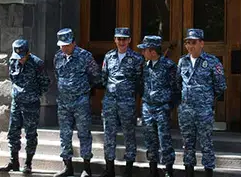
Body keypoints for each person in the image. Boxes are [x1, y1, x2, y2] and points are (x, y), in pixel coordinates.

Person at [176, 29, 227, 177]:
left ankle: (208, 173)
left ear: (201, 43)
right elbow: (178, 84)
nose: (190, 46)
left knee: (206, 144)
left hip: (203, 111)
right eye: (188, 43)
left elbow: (220, 86)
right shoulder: (182, 61)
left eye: (193, 42)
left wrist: (205, 100)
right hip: (186, 111)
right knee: (187, 145)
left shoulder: (212, 62)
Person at [53, 28, 101, 177]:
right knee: (64, 134)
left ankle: (87, 167)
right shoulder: (58, 57)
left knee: (84, 133)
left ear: (73, 43)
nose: (64, 48)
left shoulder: (85, 56)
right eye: (61, 45)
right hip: (63, 102)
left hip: (80, 101)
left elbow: (96, 76)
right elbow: (57, 76)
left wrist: (83, 90)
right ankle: (68, 166)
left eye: (66, 45)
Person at [0, 39, 50, 174]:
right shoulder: (12, 61)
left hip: (31, 104)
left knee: (30, 134)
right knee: (13, 132)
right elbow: (12, 78)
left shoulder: (37, 63)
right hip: (17, 102)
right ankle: (13, 161)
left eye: (22, 57)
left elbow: (45, 83)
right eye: (17, 57)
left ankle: (28, 163)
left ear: (28, 53)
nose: (19, 60)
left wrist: (34, 94)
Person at [100, 27, 143, 177]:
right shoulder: (109, 56)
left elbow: (139, 81)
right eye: (119, 39)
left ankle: (128, 169)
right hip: (110, 102)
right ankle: (109, 168)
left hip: (127, 103)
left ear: (129, 40)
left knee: (129, 135)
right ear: (115, 40)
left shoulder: (136, 58)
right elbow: (104, 77)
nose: (121, 42)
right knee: (109, 135)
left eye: (124, 39)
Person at [137, 35, 177, 177]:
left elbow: (176, 88)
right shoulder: (145, 66)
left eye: (145, 50)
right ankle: (153, 170)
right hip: (148, 108)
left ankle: (168, 171)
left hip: (162, 108)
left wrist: (168, 105)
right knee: (150, 140)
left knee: (164, 140)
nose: (142, 53)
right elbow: (142, 85)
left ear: (153, 51)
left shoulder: (169, 66)